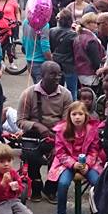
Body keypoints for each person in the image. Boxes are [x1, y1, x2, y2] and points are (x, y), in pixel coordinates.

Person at [17, 61, 72, 202]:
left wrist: (57, 142)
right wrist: (37, 126)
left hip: (57, 135)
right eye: (52, 74)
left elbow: (67, 123)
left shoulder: (66, 95)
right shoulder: (28, 94)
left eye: (59, 74)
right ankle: (36, 186)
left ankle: (50, 189)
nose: (57, 77)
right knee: (30, 155)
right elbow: (21, 121)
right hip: (34, 134)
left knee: (58, 157)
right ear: (42, 75)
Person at [49, 102, 104, 214]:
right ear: (69, 116)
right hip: (67, 163)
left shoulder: (92, 129)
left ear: (86, 116)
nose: (77, 117)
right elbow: (60, 152)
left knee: (97, 183)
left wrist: (88, 164)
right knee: (62, 184)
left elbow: (94, 149)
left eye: (80, 114)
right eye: (74, 114)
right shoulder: (62, 130)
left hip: (87, 163)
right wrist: (73, 164)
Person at [49, 10, 78, 100]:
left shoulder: (52, 31)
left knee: (57, 89)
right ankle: (72, 109)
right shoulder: (73, 34)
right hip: (70, 64)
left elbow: (51, 47)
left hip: (56, 62)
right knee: (72, 91)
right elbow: (76, 51)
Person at [73, 12, 105, 91]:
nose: (97, 25)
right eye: (94, 22)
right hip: (90, 74)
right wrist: (99, 70)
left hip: (80, 72)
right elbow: (95, 60)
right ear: (87, 24)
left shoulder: (79, 36)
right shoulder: (90, 40)